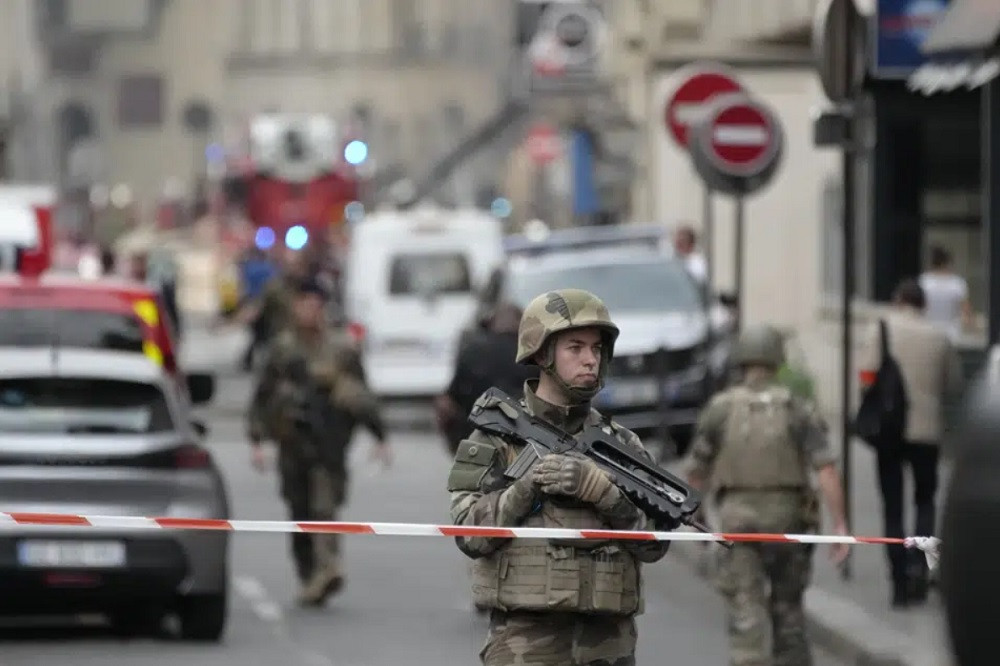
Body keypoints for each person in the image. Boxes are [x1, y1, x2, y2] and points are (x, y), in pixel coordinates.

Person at [448, 288, 671, 666]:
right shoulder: (496, 436)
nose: (590, 360)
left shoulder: (622, 446)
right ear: (541, 354)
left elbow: (655, 547)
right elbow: (469, 534)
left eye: (597, 349)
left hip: (607, 644)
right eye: (575, 348)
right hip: (526, 642)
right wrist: (526, 488)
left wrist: (606, 495)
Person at [686, 323, 849, 666]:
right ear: (778, 359)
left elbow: (697, 471)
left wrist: (697, 519)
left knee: (746, 612)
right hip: (788, 522)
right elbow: (826, 470)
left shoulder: (721, 408)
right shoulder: (796, 408)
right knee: (789, 612)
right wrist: (840, 526)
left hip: (737, 523)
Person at [247, 276, 392, 606]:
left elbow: (361, 395)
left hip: (329, 443)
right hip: (292, 443)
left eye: (316, 305)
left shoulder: (341, 349)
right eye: (304, 304)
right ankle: (309, 574)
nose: (310, 311)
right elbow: (262, 396)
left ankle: (328, 568)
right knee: (299, 512)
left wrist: (380, 436)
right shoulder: (282, 348)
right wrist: (257, 441)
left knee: (324, 508)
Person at [858, 278, 963, 607]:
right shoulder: (939, 336)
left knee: (892, 506)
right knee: (925, 500)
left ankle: (898, 580)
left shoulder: (881, 329)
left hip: (890, 430)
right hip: (927, 432)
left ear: (898, 300)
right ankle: (919, 564)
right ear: (924, 305)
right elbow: (953, 383)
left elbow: (866, 376)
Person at [434, 302, 539, 455]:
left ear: (491, 323)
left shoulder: (472, 350)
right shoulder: (535, 354)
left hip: (477, 438)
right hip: (528, 439)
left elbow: (450, 400)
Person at [919, 245, 972, 341]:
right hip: (951, 334)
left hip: (928, 332)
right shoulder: (957, 283)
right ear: (948, 263)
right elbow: (966, 312)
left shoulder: (923, 282)